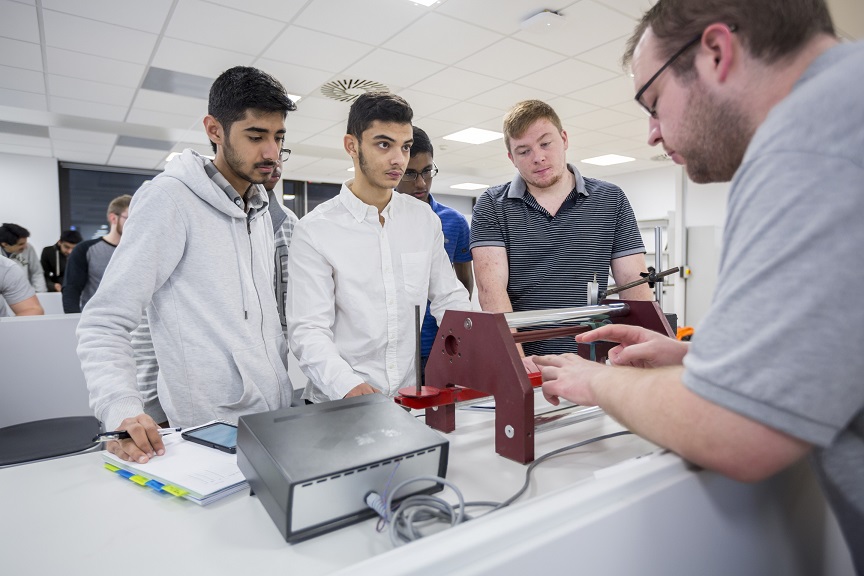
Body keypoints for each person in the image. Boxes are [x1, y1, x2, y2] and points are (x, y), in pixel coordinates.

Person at [534, 1, 863, 571]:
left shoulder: (807, 140)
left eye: (654, 103)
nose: (653, 133)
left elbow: (738, 430)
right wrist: (698, 354)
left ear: (716, 51)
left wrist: (595, 382)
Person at [77, 66, 297, 464]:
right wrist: (121, 408)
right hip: (208, 433)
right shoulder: (169, 200)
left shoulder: (259, 207)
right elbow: (104, 320)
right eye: (255, 136)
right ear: (214, 129)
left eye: (278, 137)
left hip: (274, 422)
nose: (271, 152)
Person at [286, 92, 471, 403]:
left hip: (406, 399)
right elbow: (308, 330)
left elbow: (449, 298)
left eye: (405, 146)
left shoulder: (423, 220)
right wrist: (348, 386)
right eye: (384, 144)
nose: (398, 158)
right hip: (339, 402)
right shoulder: (315, 230)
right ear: (352, 145)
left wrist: (485, 351)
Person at [470, 100, 652, 363]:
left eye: (546, 143)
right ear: (511, 158)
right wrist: (518, 365)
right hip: (527, 359)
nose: (538, 157)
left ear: (564, 139)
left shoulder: (611, 199)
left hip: (593, 358)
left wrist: (641, 354)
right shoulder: (492, 204)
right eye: (523, 151)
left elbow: (634, 284)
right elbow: (491, 293)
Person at [394, 126, 473, 379]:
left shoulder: (454, 221)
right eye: (410, 174)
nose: (420, 183)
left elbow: (463, 284)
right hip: (395, 344)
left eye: (427, 171)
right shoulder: (381, 220)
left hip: (438, 339)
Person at [62, 195, 131, 313]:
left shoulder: (138, 252)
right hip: (97, 322)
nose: (134, 224)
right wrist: (73, 322)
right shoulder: (85, 249)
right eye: (129, 218)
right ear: (113, 218)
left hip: (134, 323)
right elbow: (71, 290)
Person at [0, 223, 47, 292]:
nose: (25, 246)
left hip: (22, 294)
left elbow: (37, 273)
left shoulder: (28, 248)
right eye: (21, 244)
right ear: (5, 244)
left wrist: (40, 294)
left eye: (25, 243)